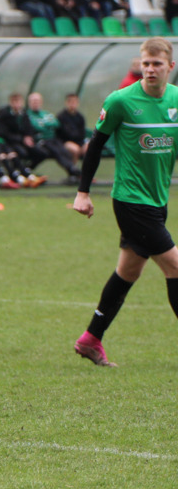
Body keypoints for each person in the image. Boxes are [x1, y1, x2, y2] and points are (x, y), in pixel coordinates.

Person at [72, 37, 178, 369]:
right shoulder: (120, 101)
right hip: (131, 201)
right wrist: (83, 192)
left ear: (170, 68)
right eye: (145, 63)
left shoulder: (176, 100)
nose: (149, 69)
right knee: (176, 267)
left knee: (128, 272)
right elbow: (95, 145)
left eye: (156, 64)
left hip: (158, 199)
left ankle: (91, 339)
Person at [20, 91, 81, 182]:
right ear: (29, 102)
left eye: (37, 101)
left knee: (62, 149)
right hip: (40, 141)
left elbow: (56, 123)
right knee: (54, 150)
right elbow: (36, 126)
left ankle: (72, 170)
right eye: (33, 101)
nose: (35, 103)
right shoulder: (27, 115)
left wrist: (44, 124)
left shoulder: (46, 113)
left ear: (41, 102)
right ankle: (71, 169)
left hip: (52, 139)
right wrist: (45, 125)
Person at [56, 93, 89, 164]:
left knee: (88, 148)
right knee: (75, 150)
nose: (73, 104)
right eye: (71, 102)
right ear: (67, 103)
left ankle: (86, 172)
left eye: (75, 102)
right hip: (65, 142)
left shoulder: (80, 117)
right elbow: (64, 133)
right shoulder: (61, 117)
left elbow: (82, 133)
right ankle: (74, 171)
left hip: (79, 141)